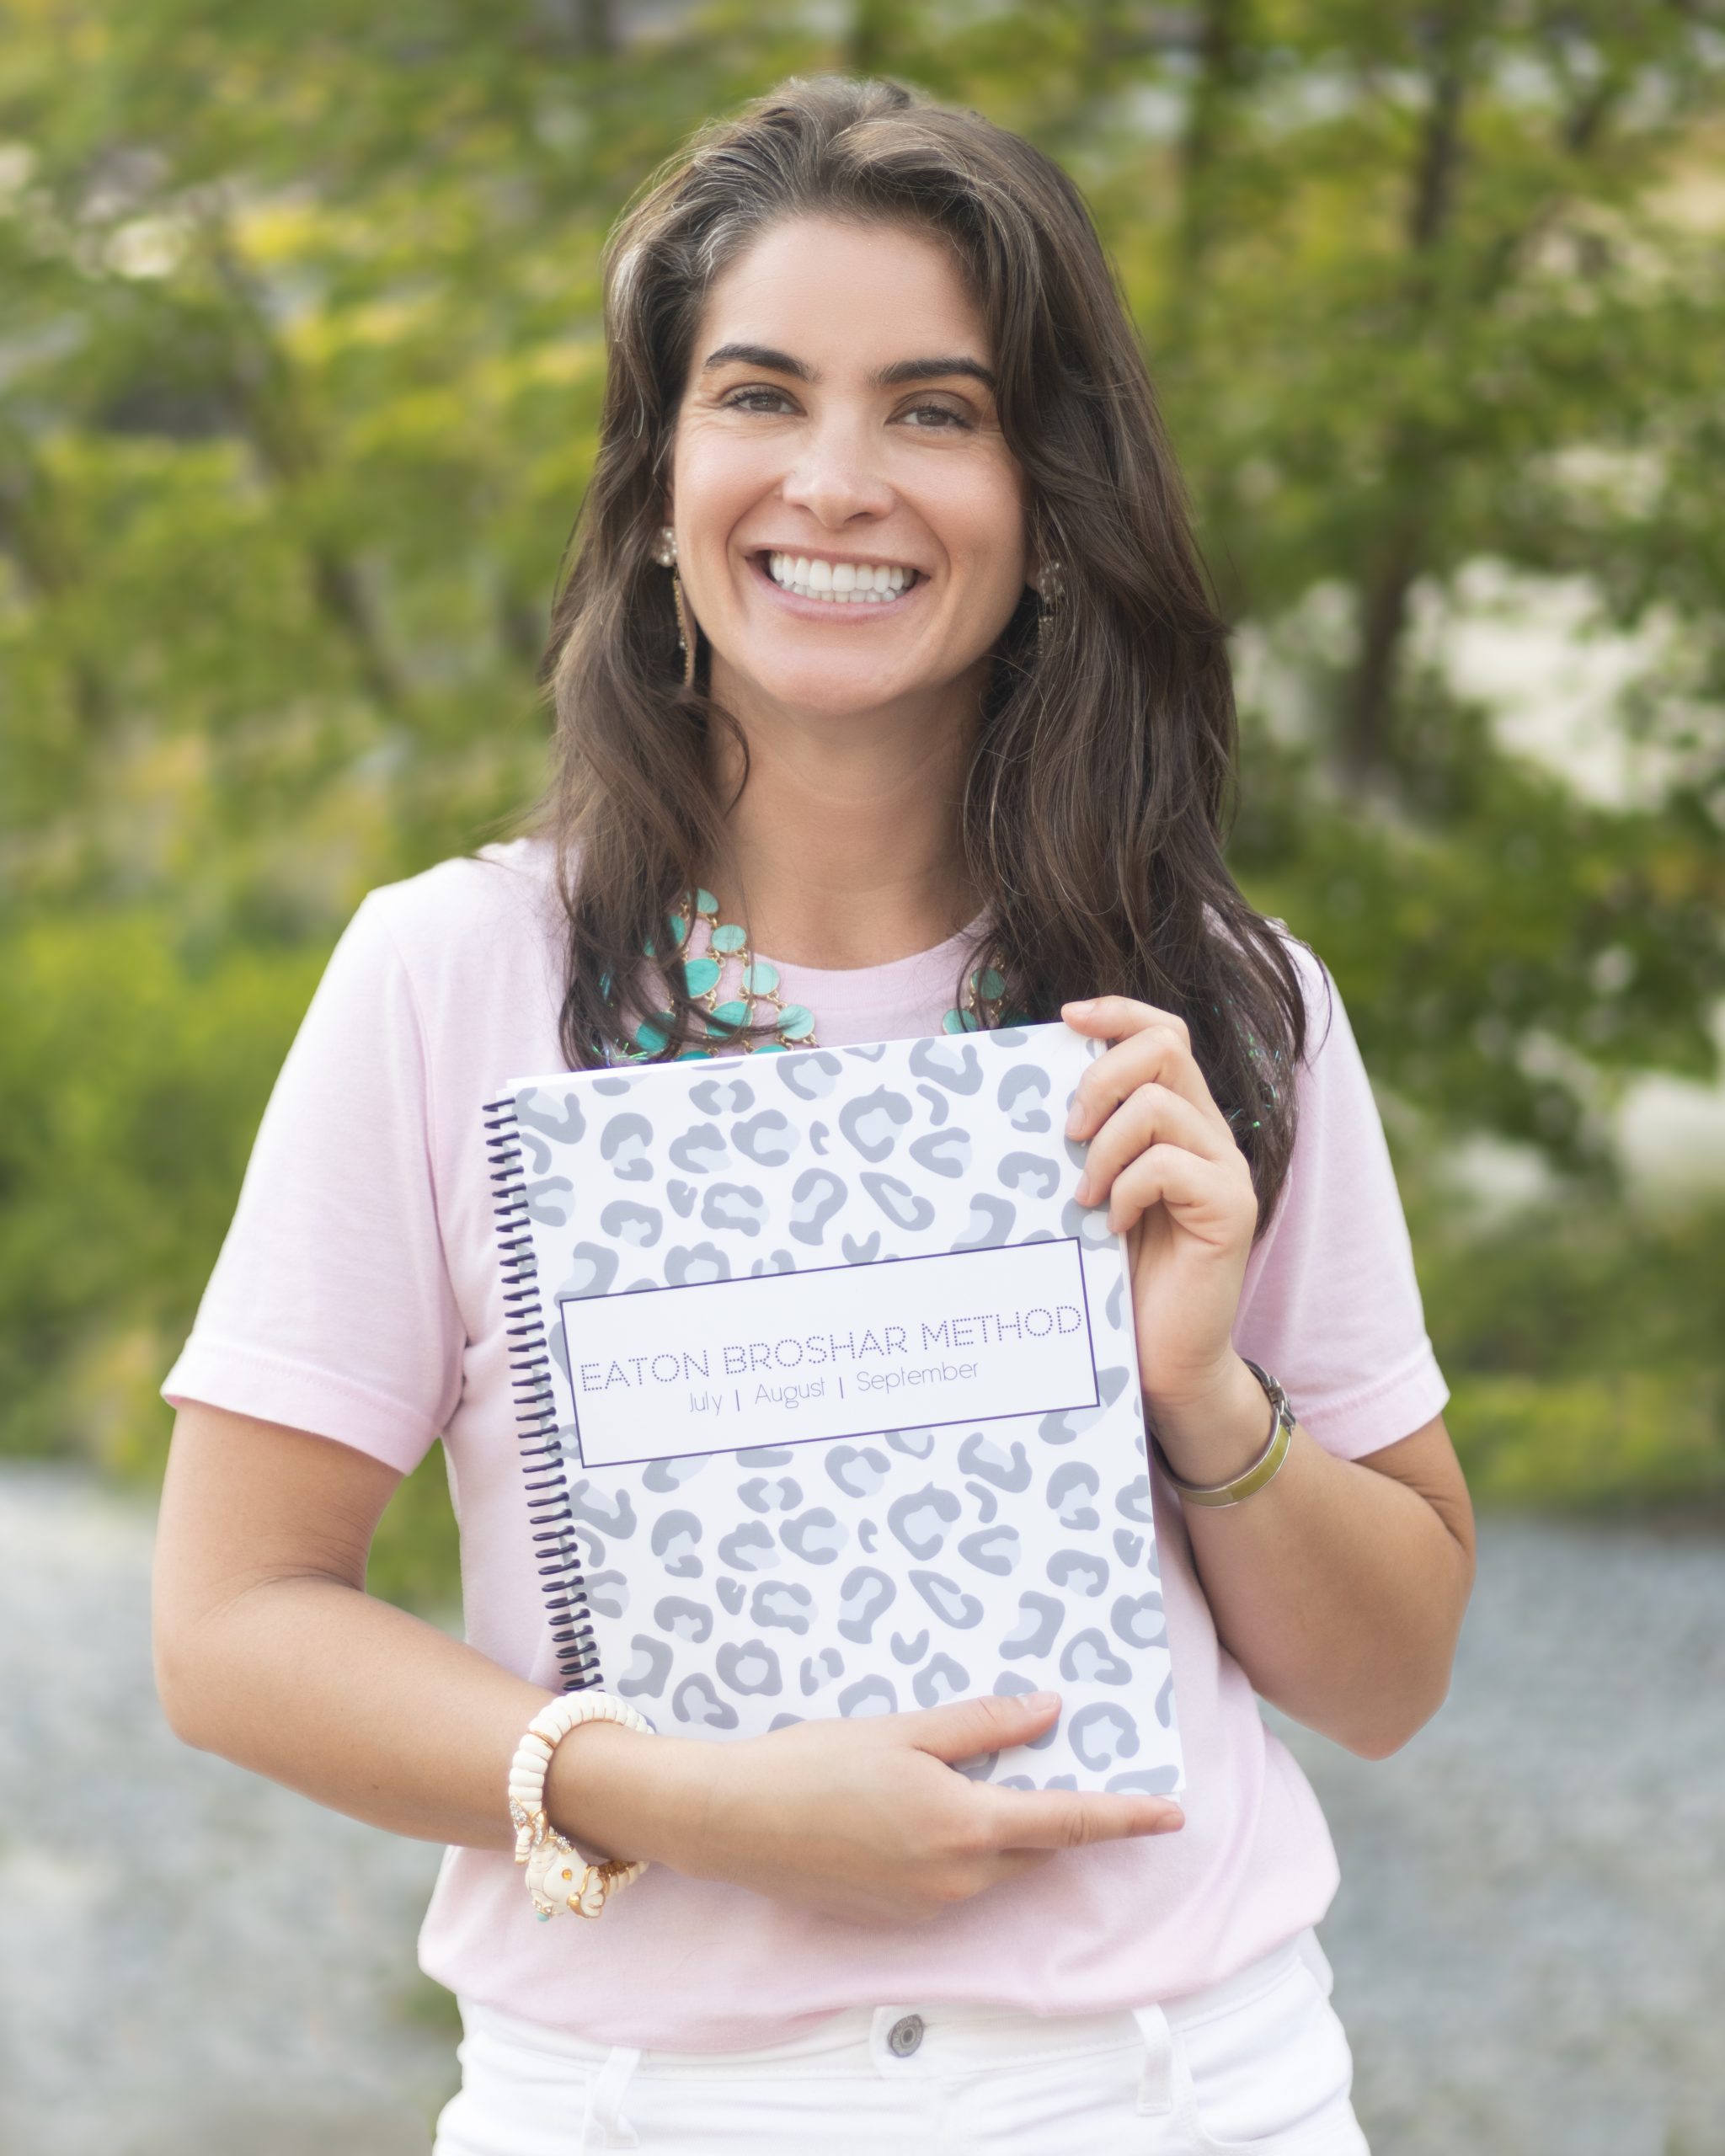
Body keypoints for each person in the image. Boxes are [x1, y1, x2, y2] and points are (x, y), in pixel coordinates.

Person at [153, 76, 1475, 2155]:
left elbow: (1391, 1677)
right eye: (760, 395)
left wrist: (1205, 1396)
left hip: (1176, 2092)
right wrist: (685, 1797)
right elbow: (230, 1625)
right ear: (663, 479)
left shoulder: (1220, 1004)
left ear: (1045, 499)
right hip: (642, 2106)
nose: (837, 480)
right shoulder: (450, 978)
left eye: (934, 411)